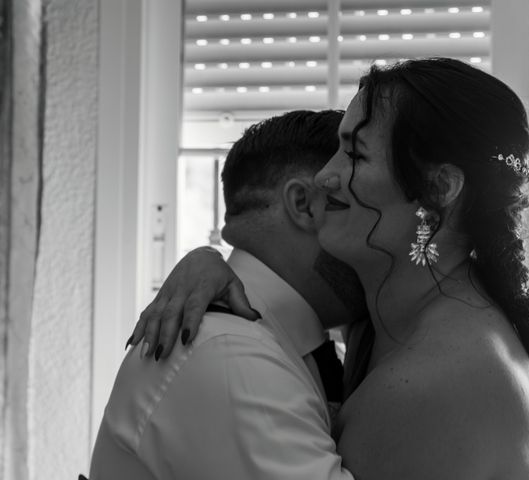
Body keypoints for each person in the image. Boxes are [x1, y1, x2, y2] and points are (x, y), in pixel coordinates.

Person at [134, 58, 529, 479]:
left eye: (354, 155)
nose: (325, 175)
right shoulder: (395, 318)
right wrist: (208, 261)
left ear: (439, 188)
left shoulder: (431, 380)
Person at [89, 110, 369, 480]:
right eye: (365, 207)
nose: (378, 239)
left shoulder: (284, 341)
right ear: (304, 204)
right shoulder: (232, 355)